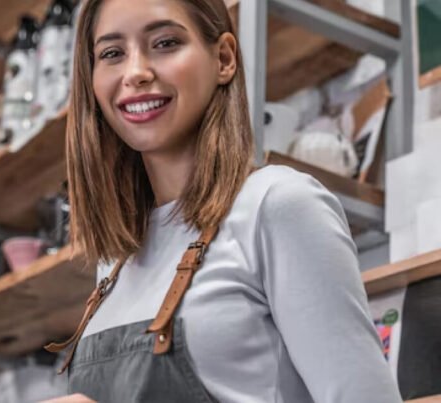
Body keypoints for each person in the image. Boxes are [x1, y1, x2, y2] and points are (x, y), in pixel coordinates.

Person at [42, 0, 403, 402]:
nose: (136, 72)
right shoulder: (116, 262)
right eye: (112, 53)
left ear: (224, 58)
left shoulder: (278, 204)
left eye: (164, 42)